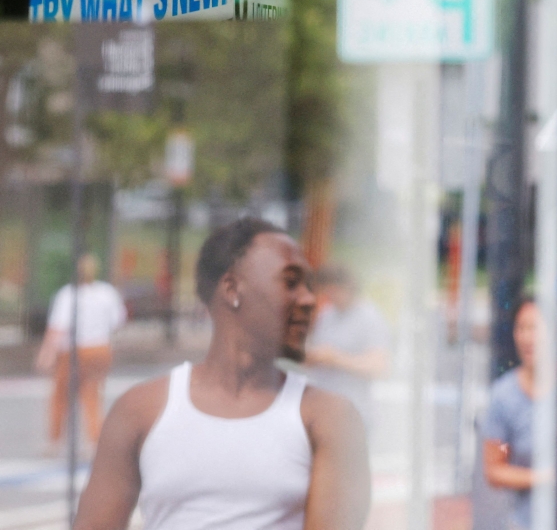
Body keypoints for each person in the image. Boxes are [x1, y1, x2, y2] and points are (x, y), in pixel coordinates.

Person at [73, 218, 370, 530]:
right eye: (291, 282)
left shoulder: (329, 417)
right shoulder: (139, 410)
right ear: (231, 289)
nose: (310, 300)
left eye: (310, 287)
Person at [36, 253, 127, 456]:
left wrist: (47, 352)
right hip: (100, 348)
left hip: (74, 350)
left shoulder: (68, 294)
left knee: (61, 396)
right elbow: (118, 321)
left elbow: (57, 327)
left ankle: (55, 440)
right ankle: (94, 439)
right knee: (92, 394)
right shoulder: (107, 292)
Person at [482, 297, 549, 530]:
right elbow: (494, 470)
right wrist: (547, 478)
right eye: (522, 328)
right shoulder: (503, 395)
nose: (528, 338)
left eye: (535, 328)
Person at [304, 265, 390, 431]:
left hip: (353, 414)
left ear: (347, 287)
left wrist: (336, 359)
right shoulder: (327, 313)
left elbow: (379, 367)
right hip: (323, 411)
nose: (330, 296)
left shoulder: (369, 317)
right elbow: (316, 352)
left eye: (333, 290)